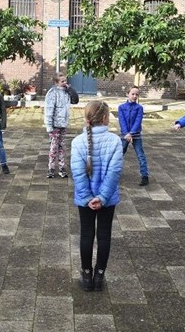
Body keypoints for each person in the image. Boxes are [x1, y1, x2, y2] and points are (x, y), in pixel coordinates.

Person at [71, 101, 123, 292]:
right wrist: (102, 197)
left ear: (87, 119)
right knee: (104, 235)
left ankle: (86, 275)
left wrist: (87, 198)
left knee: (86, 234)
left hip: (85, 200)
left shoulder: (77, 142)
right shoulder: (115, 141)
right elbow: (114, 172)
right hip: (107, 200)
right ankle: (99, 276)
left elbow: (78, 174)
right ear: (105, 118)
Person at [117, 86, 149, 186]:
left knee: (140, 155)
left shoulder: (139, 108)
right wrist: (126, 133)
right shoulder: (121, 107)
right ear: (127, 94)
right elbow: (121, 121)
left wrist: (131, 133)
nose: (135, 96)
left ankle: (145, 176)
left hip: (136, 134)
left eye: (137, 94)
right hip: (124, 134)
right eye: (133, 94)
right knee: (119, 154)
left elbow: (138, 121)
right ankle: (113, 174)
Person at [44, 73, 72, 179]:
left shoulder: (66, 92)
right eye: (62, 81)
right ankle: (51, 168)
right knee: (53, 147)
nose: (65, 83)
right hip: (55, 125)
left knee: (62, 147)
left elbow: (75, 100)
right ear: (56, 83)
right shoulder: (52, 93)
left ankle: (62, 168)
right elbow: (49, 110)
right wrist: (49, 126)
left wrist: (70, 89)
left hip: (63, 124)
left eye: (66, 81)